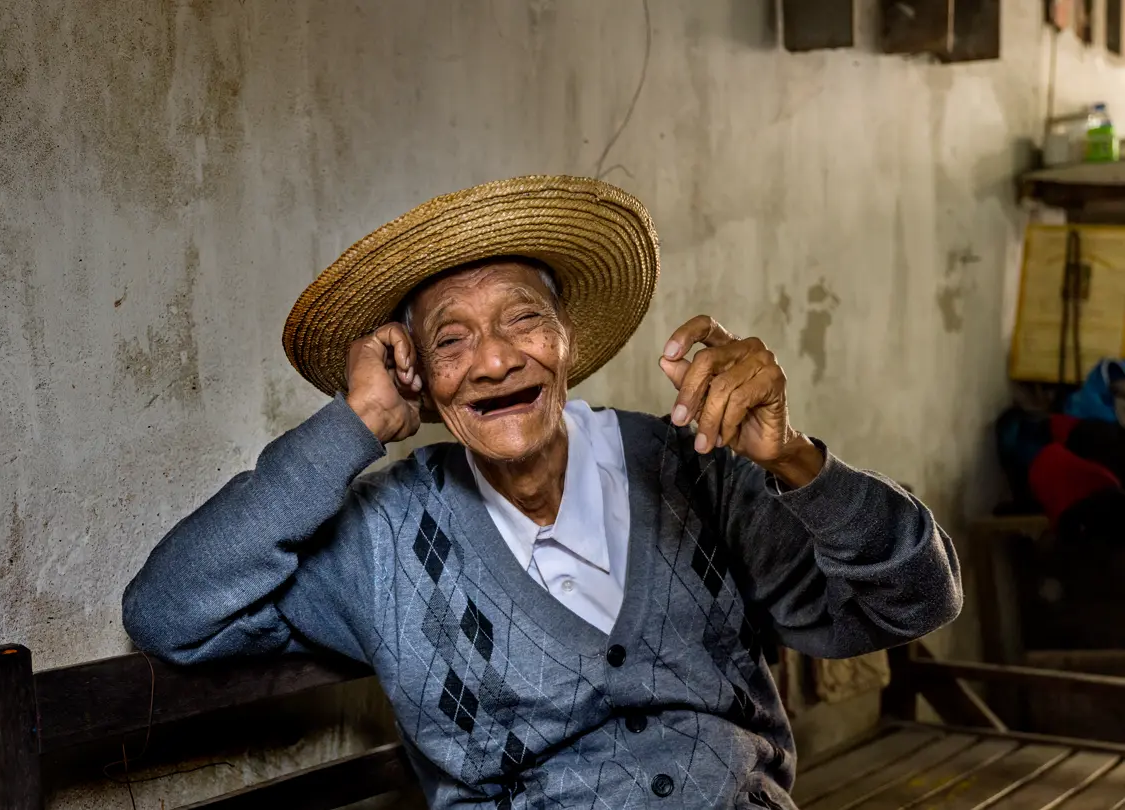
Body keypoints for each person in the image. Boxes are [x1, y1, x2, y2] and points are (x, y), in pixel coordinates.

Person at [123, 176, 962, 810]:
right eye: (451, 340)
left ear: (568, 342)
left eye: (523, 321)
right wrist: (350, 425)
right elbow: (169, 611)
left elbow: (913, 604)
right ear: (418, 378)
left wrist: (791, 460)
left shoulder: (694, 467)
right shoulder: (385, 536)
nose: (492, 361)